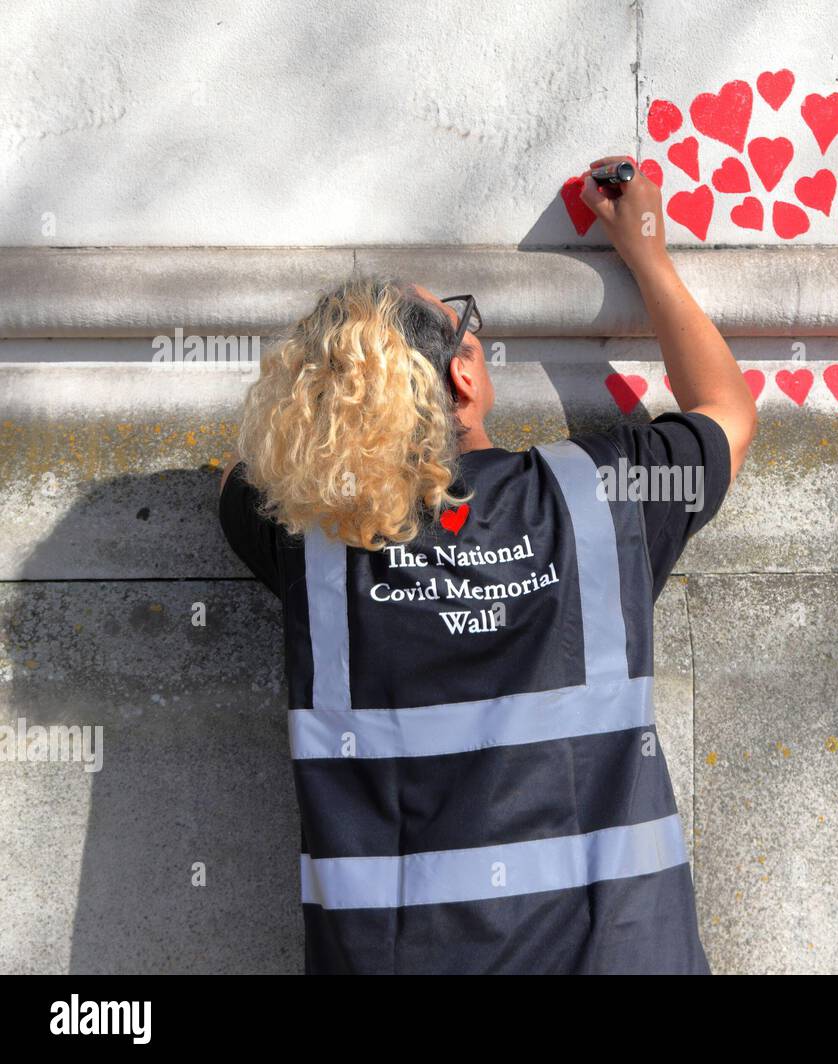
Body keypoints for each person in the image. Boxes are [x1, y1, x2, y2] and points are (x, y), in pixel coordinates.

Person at [218, 155, 757, 973]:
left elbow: (235, 477)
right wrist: (647, 254)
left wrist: (334, 422)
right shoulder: (600, 496)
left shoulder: (313, 542)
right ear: (464, 377)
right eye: (465, 326)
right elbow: (724, 409)